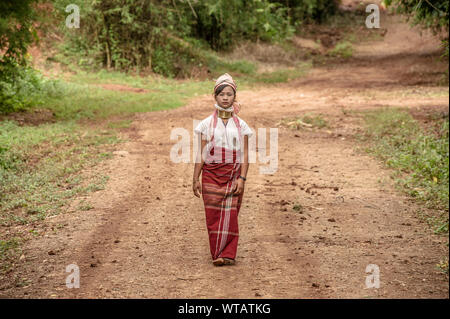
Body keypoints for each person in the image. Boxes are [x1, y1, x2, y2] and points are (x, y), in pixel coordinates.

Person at [193, 73, 253, 266]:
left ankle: (228, 253)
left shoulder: (242, 125)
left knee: (230, 214)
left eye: (229, 94)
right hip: (211, 175)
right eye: (221, 94)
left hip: (233, 175)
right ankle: (217, 253)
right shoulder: (206, 124)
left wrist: (242, 179)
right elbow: (202, 154)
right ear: (215, 97)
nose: (225, 98)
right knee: (213, 215)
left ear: (234, 97)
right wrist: (195, 178)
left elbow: (244, 154)